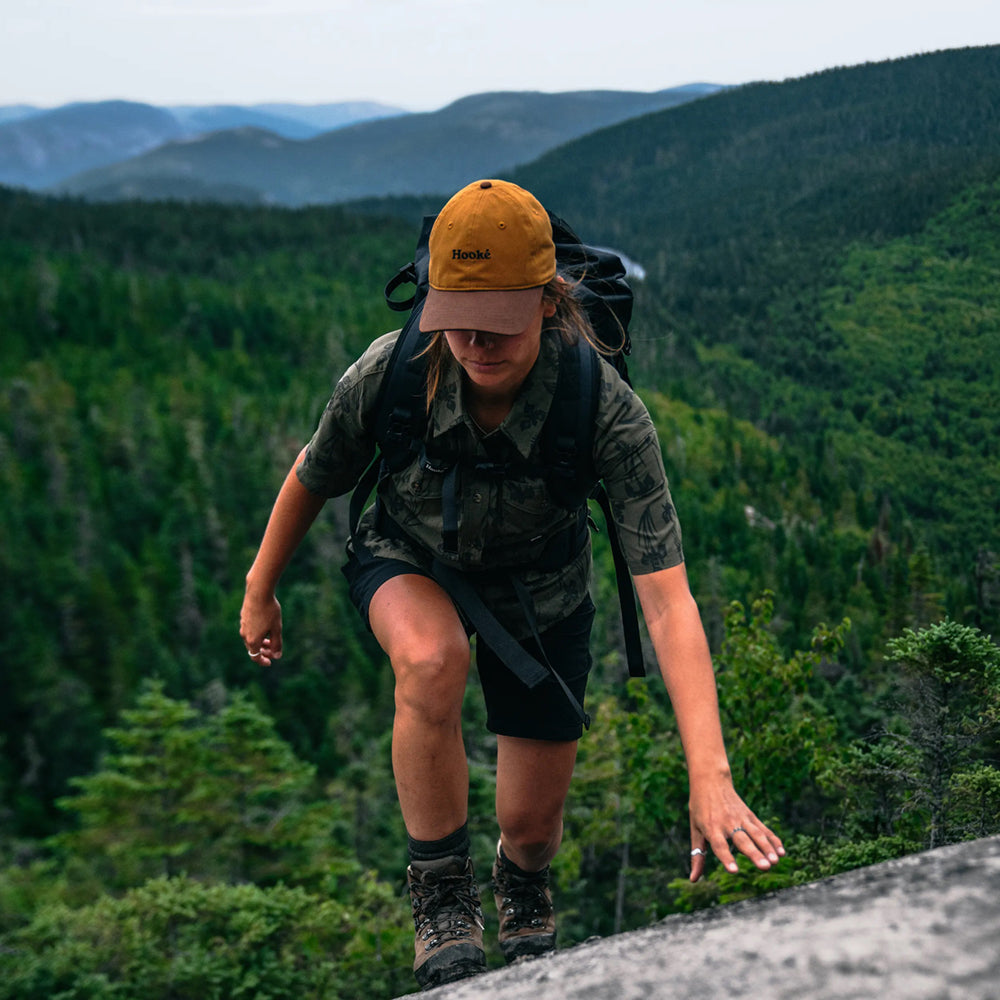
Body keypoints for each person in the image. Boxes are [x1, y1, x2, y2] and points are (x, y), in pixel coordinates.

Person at [239, 178, 785, 991]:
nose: (473, 342)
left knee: (531, 829)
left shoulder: (604, 410)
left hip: (542, 588)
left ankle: (520, 878)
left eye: (497, 321)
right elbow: (314, 474)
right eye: (456, 318)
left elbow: (668, 603)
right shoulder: (392, 370)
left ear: (547, 299)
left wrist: (710, 774)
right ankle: (440, 892)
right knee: (431, 659)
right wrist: (261, 588)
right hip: (410, 556)